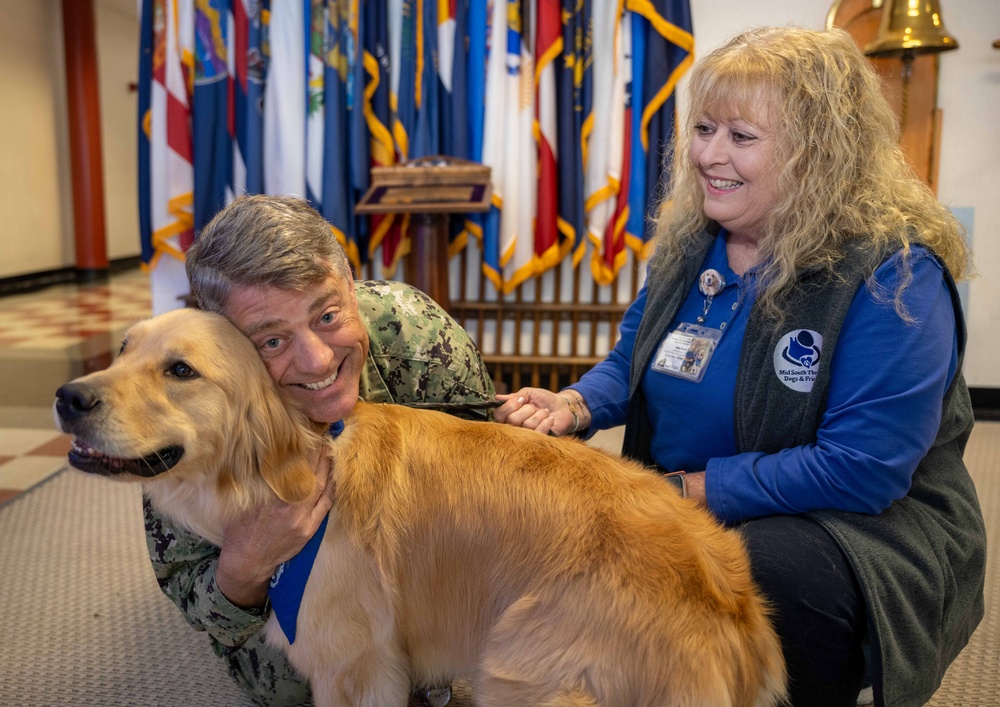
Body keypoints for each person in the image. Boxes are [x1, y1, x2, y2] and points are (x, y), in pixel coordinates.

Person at [494, 26, 986, 707]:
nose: (707, 155)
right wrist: (573, 404)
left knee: (754, 569)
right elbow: (630, 361)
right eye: (703, 129)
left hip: (861, 531)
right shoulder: (691, 244)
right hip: (688, 497)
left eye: (740, 137)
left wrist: (685, 492)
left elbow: (862, 470)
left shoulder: (894, 276)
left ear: (817, 155)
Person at [144, 194, 495, 706]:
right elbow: (195, 598)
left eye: (328, 316)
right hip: (280, 579)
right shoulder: (189, 403)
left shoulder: (416, 334)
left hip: (415, 553)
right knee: (292, 682)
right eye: (272, 342)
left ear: (350, 289)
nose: (317, 359)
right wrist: (245, 564)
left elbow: (485, 501)